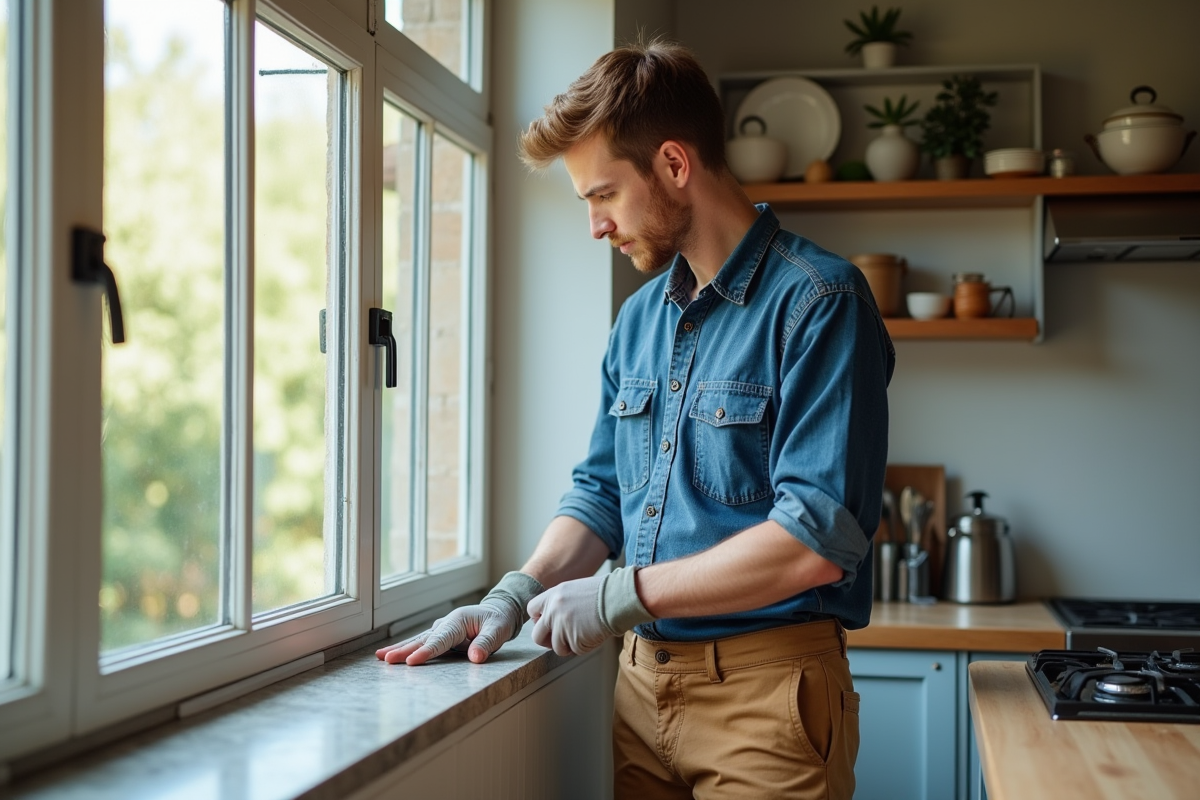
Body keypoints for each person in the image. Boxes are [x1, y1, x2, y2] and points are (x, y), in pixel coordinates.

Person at [377, 38, 894, 800]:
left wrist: (624, 595)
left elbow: (815, 541)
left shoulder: (820, 302)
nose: (595, 226)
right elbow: (601, 493)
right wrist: (510, 596)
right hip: (642, 692)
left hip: (768, 697)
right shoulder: (639, 320)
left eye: (602, 195)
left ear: (675, 166)